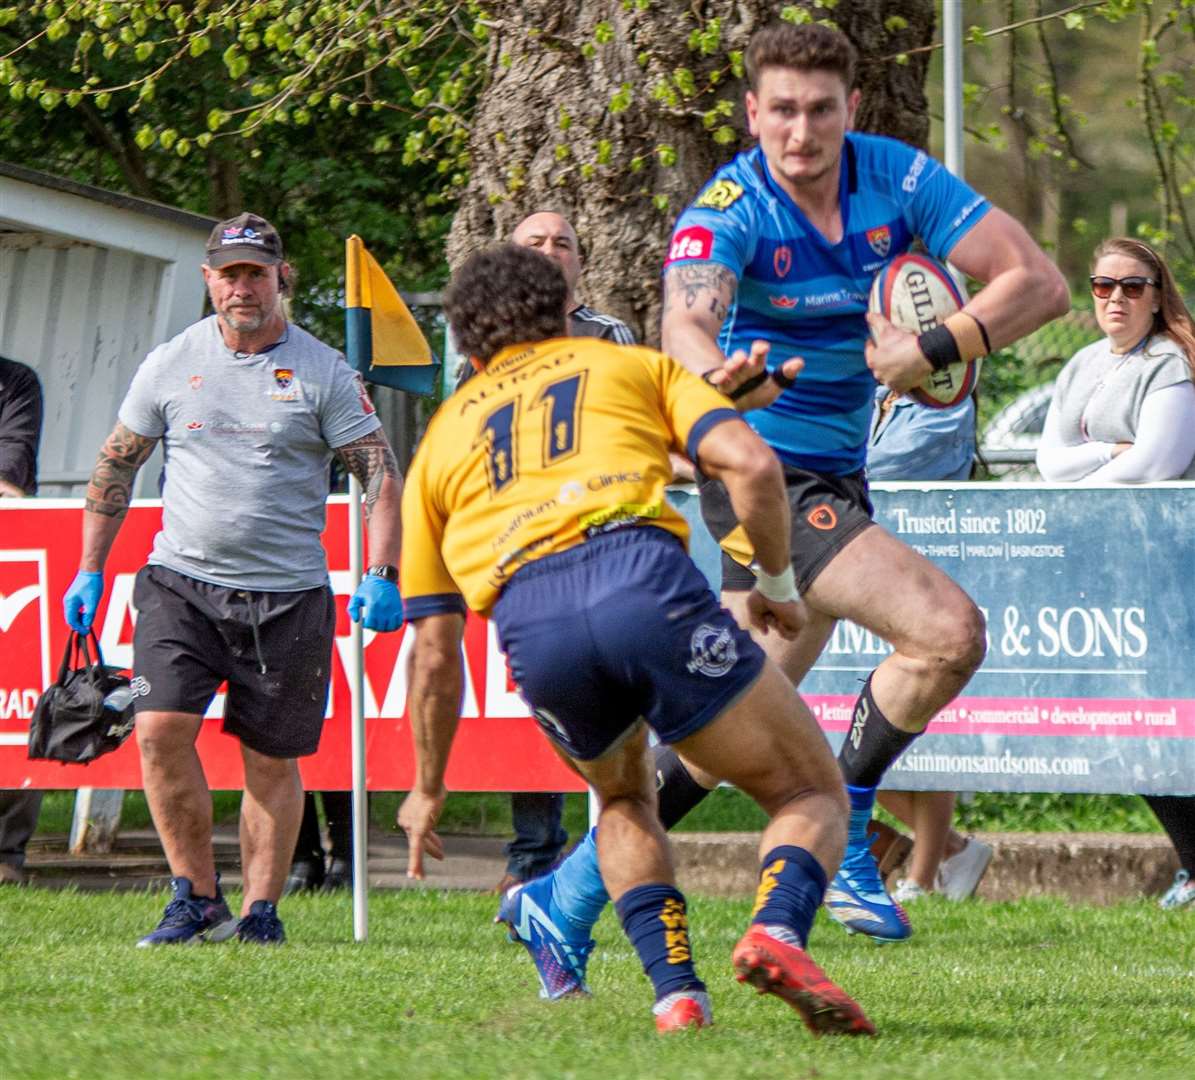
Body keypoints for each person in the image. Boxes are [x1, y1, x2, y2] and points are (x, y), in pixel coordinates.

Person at [514, 20, 1069, 954]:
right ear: (751, 113)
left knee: (723, 725)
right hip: (766, 474)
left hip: (840, 471)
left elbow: (1038, 282)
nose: (800, 133)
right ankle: (850, 819)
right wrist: (721, 377)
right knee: (946, 633)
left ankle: (563, 896)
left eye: (819, 111)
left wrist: (932, 348)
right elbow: (685, 319)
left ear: (849, 109)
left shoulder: (898, 179)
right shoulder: (728, 203)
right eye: (780, 111)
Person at [397, 243, 873, 1036]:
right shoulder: (623, 365)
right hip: (638, 581)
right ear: (560, 310)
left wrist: (426, 788)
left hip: (532, 622)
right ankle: (776, 928)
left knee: (622, 797)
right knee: (807, 790)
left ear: (470, 348)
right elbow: (750, 467)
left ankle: (676, 994)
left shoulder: (442, 439)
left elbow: (435, 653)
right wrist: (780, 587)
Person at [61, 212, 405, 945]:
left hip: (287, 595)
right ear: (208, 278)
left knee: (270, 760)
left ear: (280, 277)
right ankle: (193, 897)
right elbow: (117, 461)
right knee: (156, 730)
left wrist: (381, 570)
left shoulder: (324, 372)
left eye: (256, 272)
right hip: (180, 583)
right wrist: (89, 568)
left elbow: (377, 471)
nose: (242, 286)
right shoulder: (169, 362)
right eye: (229, 272)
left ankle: (259, 912)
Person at [456, 210, 636, 895]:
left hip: (600, 534)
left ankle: (607, 851)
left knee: (607, 699)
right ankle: (533, 857)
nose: (550, 250)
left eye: (563, 242)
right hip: (518, 537)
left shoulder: (609, 334)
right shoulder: (482, 335)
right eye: (535, 241)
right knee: (537, 693)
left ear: (579, 265)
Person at [1036, 236, 1195, 910]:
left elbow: (1156, 464)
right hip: (1111, 566)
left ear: (1156, 296)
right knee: (1134, 723)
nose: (1115, 299)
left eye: (1132, 287)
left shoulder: (1171, 364)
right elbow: (1048, 458)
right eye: (1103, 286)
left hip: (1169, 565)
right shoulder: (1080, 363)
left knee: (1170, 718)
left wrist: (1094, 462)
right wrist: (1108, 448)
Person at [866, 387, 993, 903]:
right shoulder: (874, 397)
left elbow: (874, 470)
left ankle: (920, 877)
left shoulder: (944, 404)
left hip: (926, 581)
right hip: (870, 579)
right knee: (852, 736)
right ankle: (955, 852)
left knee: (919, 729)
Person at [0, 356, 45, 886]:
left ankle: (6, 853)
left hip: (8, 560)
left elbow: (11, 480)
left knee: (13, 700)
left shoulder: (13, 382)